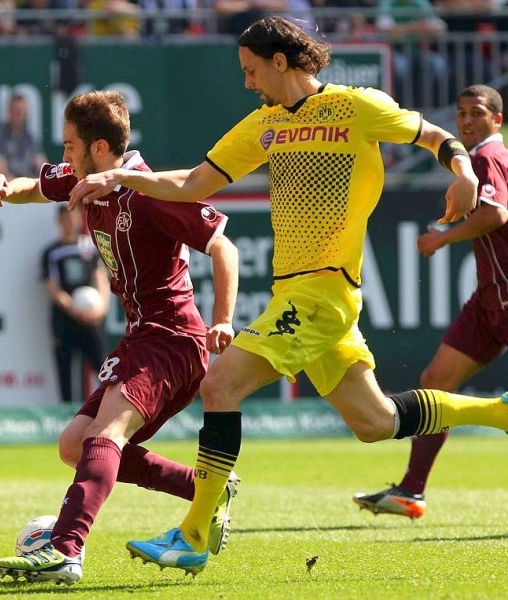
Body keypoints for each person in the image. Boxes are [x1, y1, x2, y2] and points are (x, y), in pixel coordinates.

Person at [68, 16, 508, 575]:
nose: (247, 82)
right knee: (374, 422)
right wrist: (122, 179)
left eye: (252, 70)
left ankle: (195, 532)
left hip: (323, 293)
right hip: (303, 295)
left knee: (220, 383)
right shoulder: (264, 124)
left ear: (280, 62)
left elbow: (433, 135)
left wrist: (465, 170)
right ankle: (498, 411)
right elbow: (193, 183)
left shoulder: (355, 105)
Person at [0, 90, 240, 584]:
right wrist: (3, 188)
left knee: (105, 435)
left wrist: (223, 318)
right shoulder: (82, 178)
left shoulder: (149, 192)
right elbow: (34, 187)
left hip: (173, 338)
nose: (63, 159)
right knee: (75, 444)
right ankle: (206, 489)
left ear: (100, 149)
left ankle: (65, 550)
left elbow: (223, 249)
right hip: (141, 337)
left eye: (69, 147)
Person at [353, 84, 508, 519]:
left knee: (437, 386)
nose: (466, 121)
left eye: (478, 113)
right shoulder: (484, 158)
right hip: (489, 301)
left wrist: (442, 238)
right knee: (435, 383)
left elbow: (497, 213)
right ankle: (411, 491)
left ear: (497, 120)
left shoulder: (487, 158)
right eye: (461, 113)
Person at [42, 204, 110, 405]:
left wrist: (101, 308)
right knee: (66, 369)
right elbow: (53, 288)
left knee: (102, 365)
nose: (71, 221)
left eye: (74, 217)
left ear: (81, 219)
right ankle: (68, 419)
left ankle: (109, 410)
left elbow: (101, 279)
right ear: (60, 221)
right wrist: (73, 308)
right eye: (66, 218)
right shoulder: (52, 252)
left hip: (91, 317)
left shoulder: (90, 247)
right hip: (65, 318)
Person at [0, 93, 47, 179]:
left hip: (24, 185)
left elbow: (42, 166)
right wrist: (22, 187)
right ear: (9, 111)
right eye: (16, 110)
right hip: (1, 188)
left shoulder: (29, 137)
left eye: (23, 111)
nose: (19, 114)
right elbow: (0, 172)